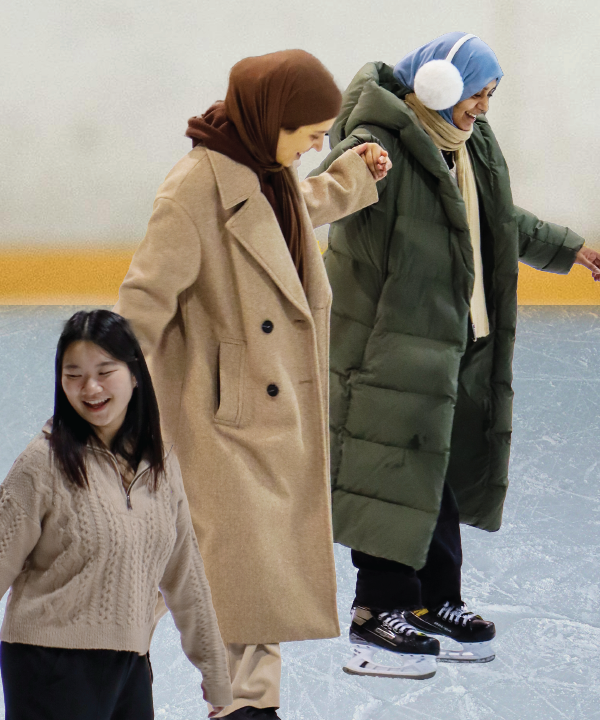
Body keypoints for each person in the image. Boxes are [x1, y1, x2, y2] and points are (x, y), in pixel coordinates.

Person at [313, 32, 600, 679]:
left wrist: (567, 249)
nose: (483, 106)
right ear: (437, 89)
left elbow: (500, 220)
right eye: (477, 93)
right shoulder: (382, 142)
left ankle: (434, 599)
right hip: (388, 347)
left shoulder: (466, 147)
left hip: (452, 343)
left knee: (436, 478)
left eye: (490, 96)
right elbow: (333, 184)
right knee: (389, 476)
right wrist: (355, 162)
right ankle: (378, 612)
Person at [113, 50, 388, 719]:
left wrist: (349, 176)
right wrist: (112, 404)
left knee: (255, 571)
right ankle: (93, 678)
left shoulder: (268, 170)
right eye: (311, 132)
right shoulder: (192, 190)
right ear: (272, 119)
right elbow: (142, 304)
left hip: (271, 411)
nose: (319, 144)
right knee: (174, 565)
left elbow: (293, 207)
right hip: (216, 416)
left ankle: (250, 705)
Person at [0, 309, 234, 719]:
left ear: (135, 374)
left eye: (105, 370)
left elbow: (185, 574)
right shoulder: (41, 466)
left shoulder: (160, 466)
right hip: (49, 666)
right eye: (74, 374)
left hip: (131, 664)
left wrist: (214, 671)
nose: (90, 387)